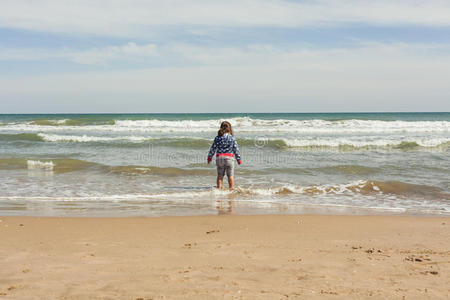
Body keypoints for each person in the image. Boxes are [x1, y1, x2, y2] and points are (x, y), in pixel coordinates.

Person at [207, 121, 242, 189]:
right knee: (230, 176)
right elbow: (236, 149)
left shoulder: (218, 138)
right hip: (229, 158)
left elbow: (213, 148)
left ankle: (219, 190)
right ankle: (231, 189)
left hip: (219, 158)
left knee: (220, 175)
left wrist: (209, 157)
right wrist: (239, 159)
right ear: (230, 128)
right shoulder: (232, 138)